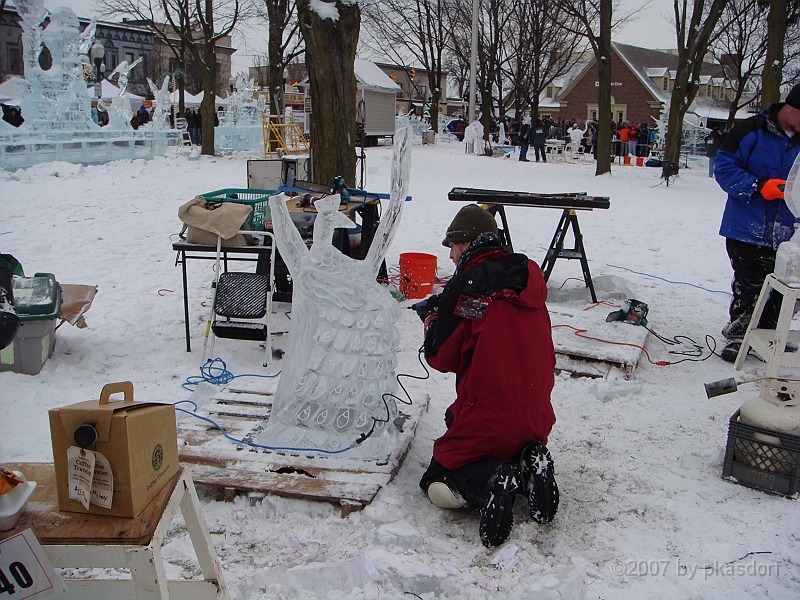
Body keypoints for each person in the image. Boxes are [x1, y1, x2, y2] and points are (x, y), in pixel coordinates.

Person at [414, 204, 559, 547]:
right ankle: (528, 463)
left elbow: (440, 356)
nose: (449, 255)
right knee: (504, 438)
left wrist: (433, 320)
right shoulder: (527, 275)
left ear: (466, 243)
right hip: (536, 417)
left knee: (435, 480)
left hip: (491, 417)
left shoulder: (466, 283)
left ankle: (493, 480)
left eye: (451, 245)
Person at [715, 83, 800, 362]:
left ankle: (770, 335)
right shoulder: (751, 129)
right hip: (747, 226)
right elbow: (725, 169)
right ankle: (739, 336)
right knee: (749, 284)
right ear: (790, 106)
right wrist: (757, 185)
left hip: (789, 231)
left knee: (785, 287)